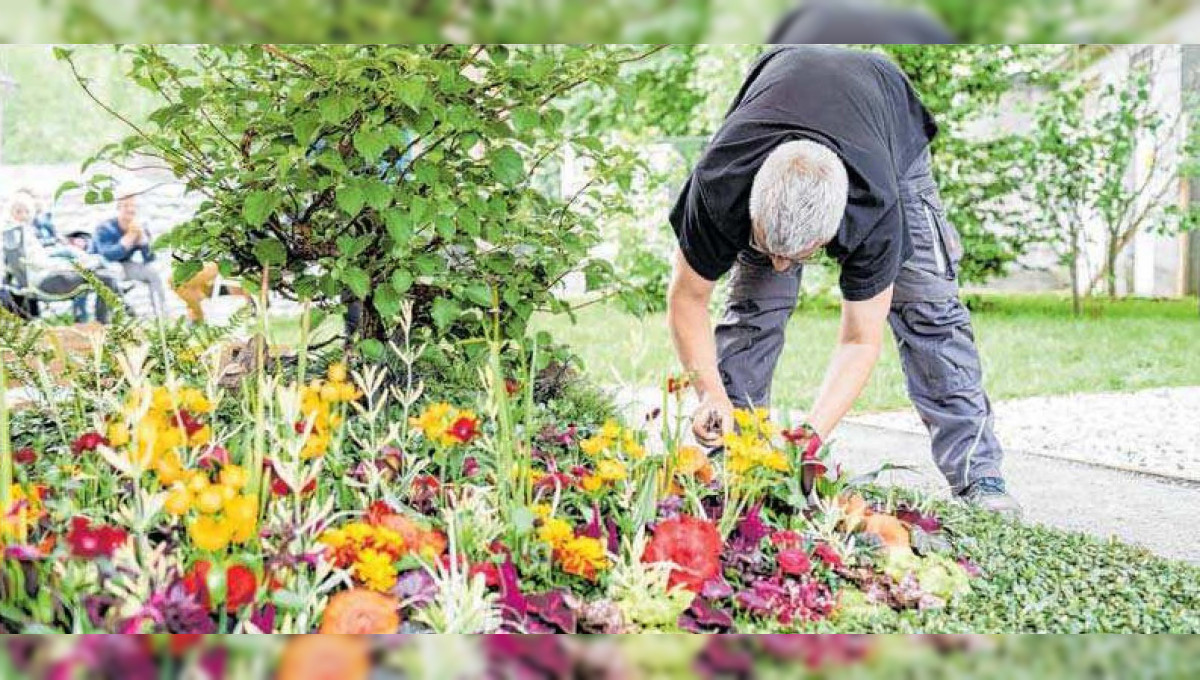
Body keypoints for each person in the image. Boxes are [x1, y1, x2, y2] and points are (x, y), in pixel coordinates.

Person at [666, 46, 1020, 515]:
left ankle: (980, 476)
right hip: (781, 89)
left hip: (884, 118)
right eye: (768, 249)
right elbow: (687, 299)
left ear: (837, 230)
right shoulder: (721, 182)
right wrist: (711, 394)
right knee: (754, 308)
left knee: (927, 307)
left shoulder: (875, 206)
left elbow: (859, 339)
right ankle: (733, 451)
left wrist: (808, 439)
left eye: (796, 257)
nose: (780, 266)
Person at [2, 192, 124, 324]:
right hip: (45, 281)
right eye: (18, 211)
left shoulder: (21, 232)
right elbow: (36, 262)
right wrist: (68, 266)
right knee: (106, 276)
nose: (23, 215)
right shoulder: (16, 234)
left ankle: (103, 323)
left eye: (26, 211)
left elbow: (34, 259)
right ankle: (105, 323)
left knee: (105, 277)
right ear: (10, 212)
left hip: (49, 276)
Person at [91, 194, 168, 318]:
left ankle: (162, 317)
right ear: (118, 208)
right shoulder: (105, 228)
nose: (130, 209)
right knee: (114, 270)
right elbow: (107, 256)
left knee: (152, 272)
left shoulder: (138, 227)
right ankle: (120, 315)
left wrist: (143, 242)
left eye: (133, 206)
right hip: (100, 267)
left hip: (124, 266)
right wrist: (126, 241)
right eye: (126, 206)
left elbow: (150, 258)